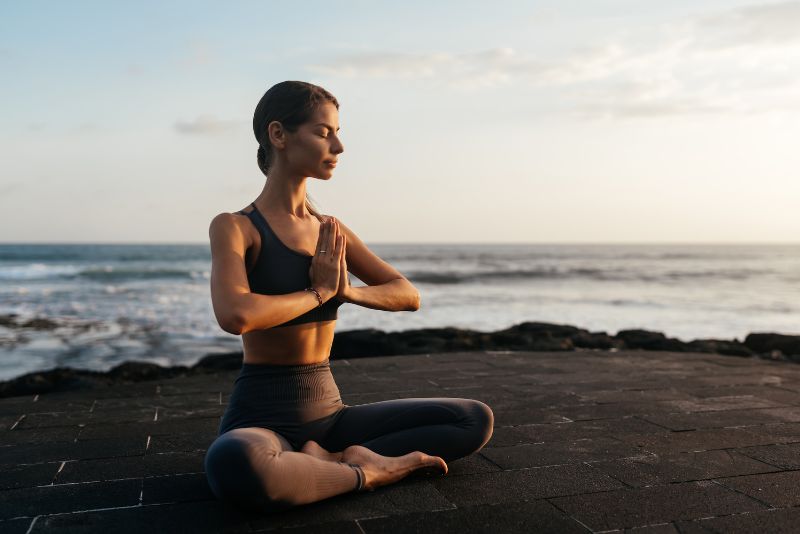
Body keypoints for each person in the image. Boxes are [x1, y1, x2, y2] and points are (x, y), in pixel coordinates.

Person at [203, 80, 494, 513]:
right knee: (235, 462)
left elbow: (406, 294)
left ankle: (333, 459)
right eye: (324, 132)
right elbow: (236, 314)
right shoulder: (235, 227)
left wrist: (348, 293)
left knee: (472, 418)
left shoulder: (330, 230)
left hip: (331, 413)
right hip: (262, 418)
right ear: (278, 134)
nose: (338, 146)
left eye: (337, 133)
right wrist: (318, 292)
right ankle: (366, 471)